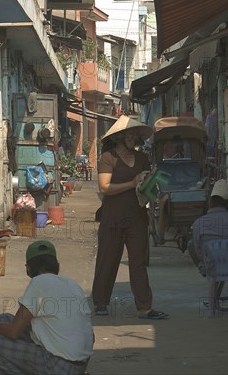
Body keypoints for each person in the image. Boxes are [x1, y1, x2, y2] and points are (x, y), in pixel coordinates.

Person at [0, 240, 94, 374]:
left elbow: (14, 331)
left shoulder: (39, 282)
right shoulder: (72, 284)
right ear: (56, 265)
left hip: (59, 366)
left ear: (29, 268)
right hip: (79, 365)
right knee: (4, 318)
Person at [92, 115, 168, 320]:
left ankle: (145, 307)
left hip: (137, 218)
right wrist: (132, 183)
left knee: (138, 263)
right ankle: (100, 302)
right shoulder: (108, 158)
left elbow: (145, 186)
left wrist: (151, 183)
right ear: (119, 136)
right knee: (108, 260)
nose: (133, 137)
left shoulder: (142, 158)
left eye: (135, 134)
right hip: (112, 218)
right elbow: (104, 187)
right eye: (129, 133)